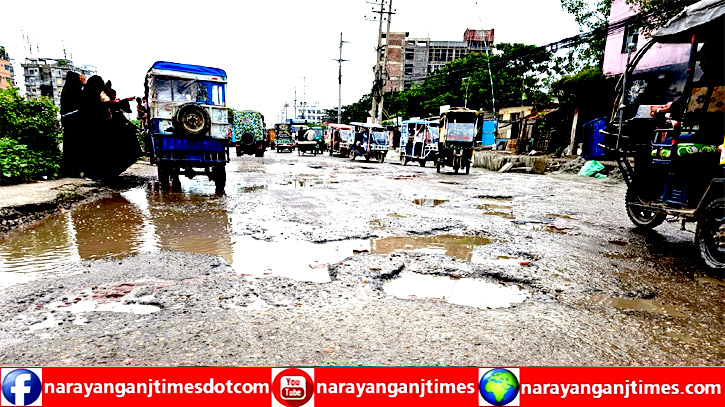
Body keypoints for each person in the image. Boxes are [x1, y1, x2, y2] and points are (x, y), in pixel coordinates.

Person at [60, 71, 86, 177]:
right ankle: (76, 169)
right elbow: (87, 98)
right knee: (77, 146)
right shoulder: (76, 91)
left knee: (70, 146)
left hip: (68, 122)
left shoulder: (66, 90)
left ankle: (70, 170)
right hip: (76, 122)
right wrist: (85, 84)